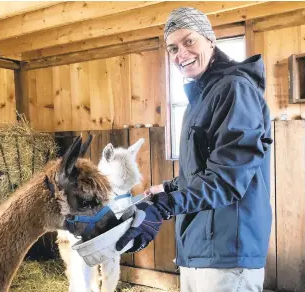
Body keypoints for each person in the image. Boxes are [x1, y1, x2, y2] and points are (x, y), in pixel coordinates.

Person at [115, 7, 273, 292]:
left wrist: (166, 206)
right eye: (172, 48)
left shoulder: (235, 90)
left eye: (189, 41)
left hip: (227, 251)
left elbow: (227, 179)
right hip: (199, 247)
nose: (180, 54)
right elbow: (205, 170)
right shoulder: (203, 95)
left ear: (210, 40)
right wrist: (166, 189)